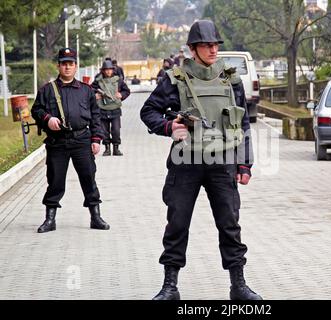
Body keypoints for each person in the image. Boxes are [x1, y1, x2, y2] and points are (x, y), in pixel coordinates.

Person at [141, 20, 261, 301]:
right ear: (193, 49)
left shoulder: (230, 78)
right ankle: (170, 286)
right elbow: (149, 111)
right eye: (207, 45)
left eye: (215, 44)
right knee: (177, 223)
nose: (212, 49)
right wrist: (170, 127)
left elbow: (242, 121)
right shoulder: (175, 78)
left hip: (223, 162)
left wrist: (244, 164)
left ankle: (238, 286)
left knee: (230, 225)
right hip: (185, 163)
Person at [31, 47, 109, 233]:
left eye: (71, 64)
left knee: (88, 178)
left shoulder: (86, 90)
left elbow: (95, 116)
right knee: (55, 180)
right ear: (58, 66)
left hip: (82, 139)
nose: (67, 67)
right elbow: (36, 110)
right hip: (57, 142)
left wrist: (96, 139)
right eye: (64, 64)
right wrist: (47, 119)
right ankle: (50, 219)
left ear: (76, 66)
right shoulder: (48, 90)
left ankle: (95, 217)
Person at [91, 60, 130, 156]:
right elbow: (89, 91)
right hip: (102, 109)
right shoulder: (98, 81)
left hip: (115, 109)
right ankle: (107, 148)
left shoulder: (118, 80)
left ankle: (116, 148)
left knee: (116, 130)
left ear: (113, 70)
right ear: (103, 70)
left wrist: (121, 95)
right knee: (104, 131)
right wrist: (95, 96)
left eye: (110, 69)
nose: (108, 72)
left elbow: (127, 91)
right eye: (106, 70)